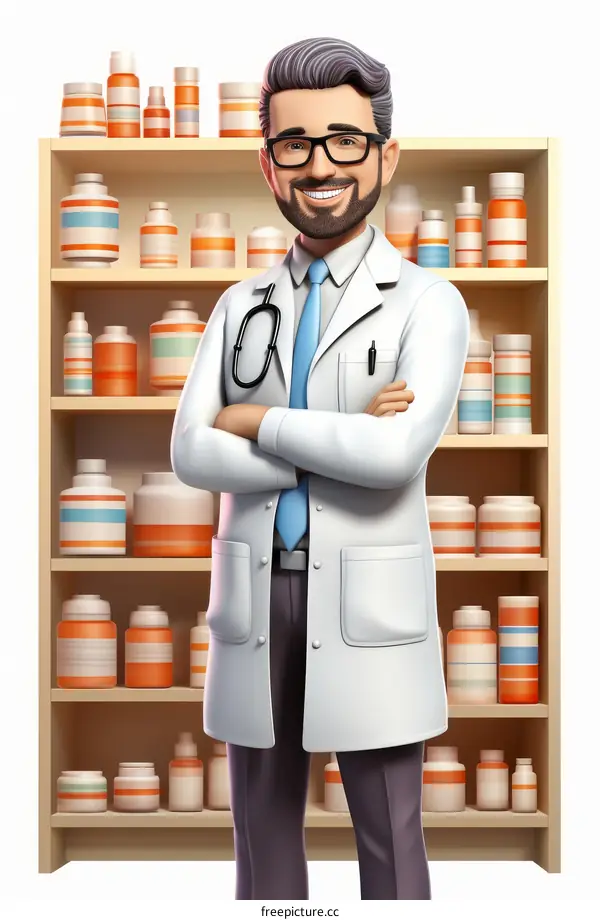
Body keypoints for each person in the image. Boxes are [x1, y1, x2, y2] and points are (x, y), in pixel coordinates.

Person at [170, 36, 469, 900]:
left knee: (388, 827)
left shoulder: (427, 302)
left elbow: (393, 456)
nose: (320, 165)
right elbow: (191, 451)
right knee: (260, 831)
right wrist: (333, 439)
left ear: (385, 154)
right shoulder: (239, 306)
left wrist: (255, 419)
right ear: (269, 164)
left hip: (368, 599)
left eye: (344, 139)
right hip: (257, 590)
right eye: (294, 144)